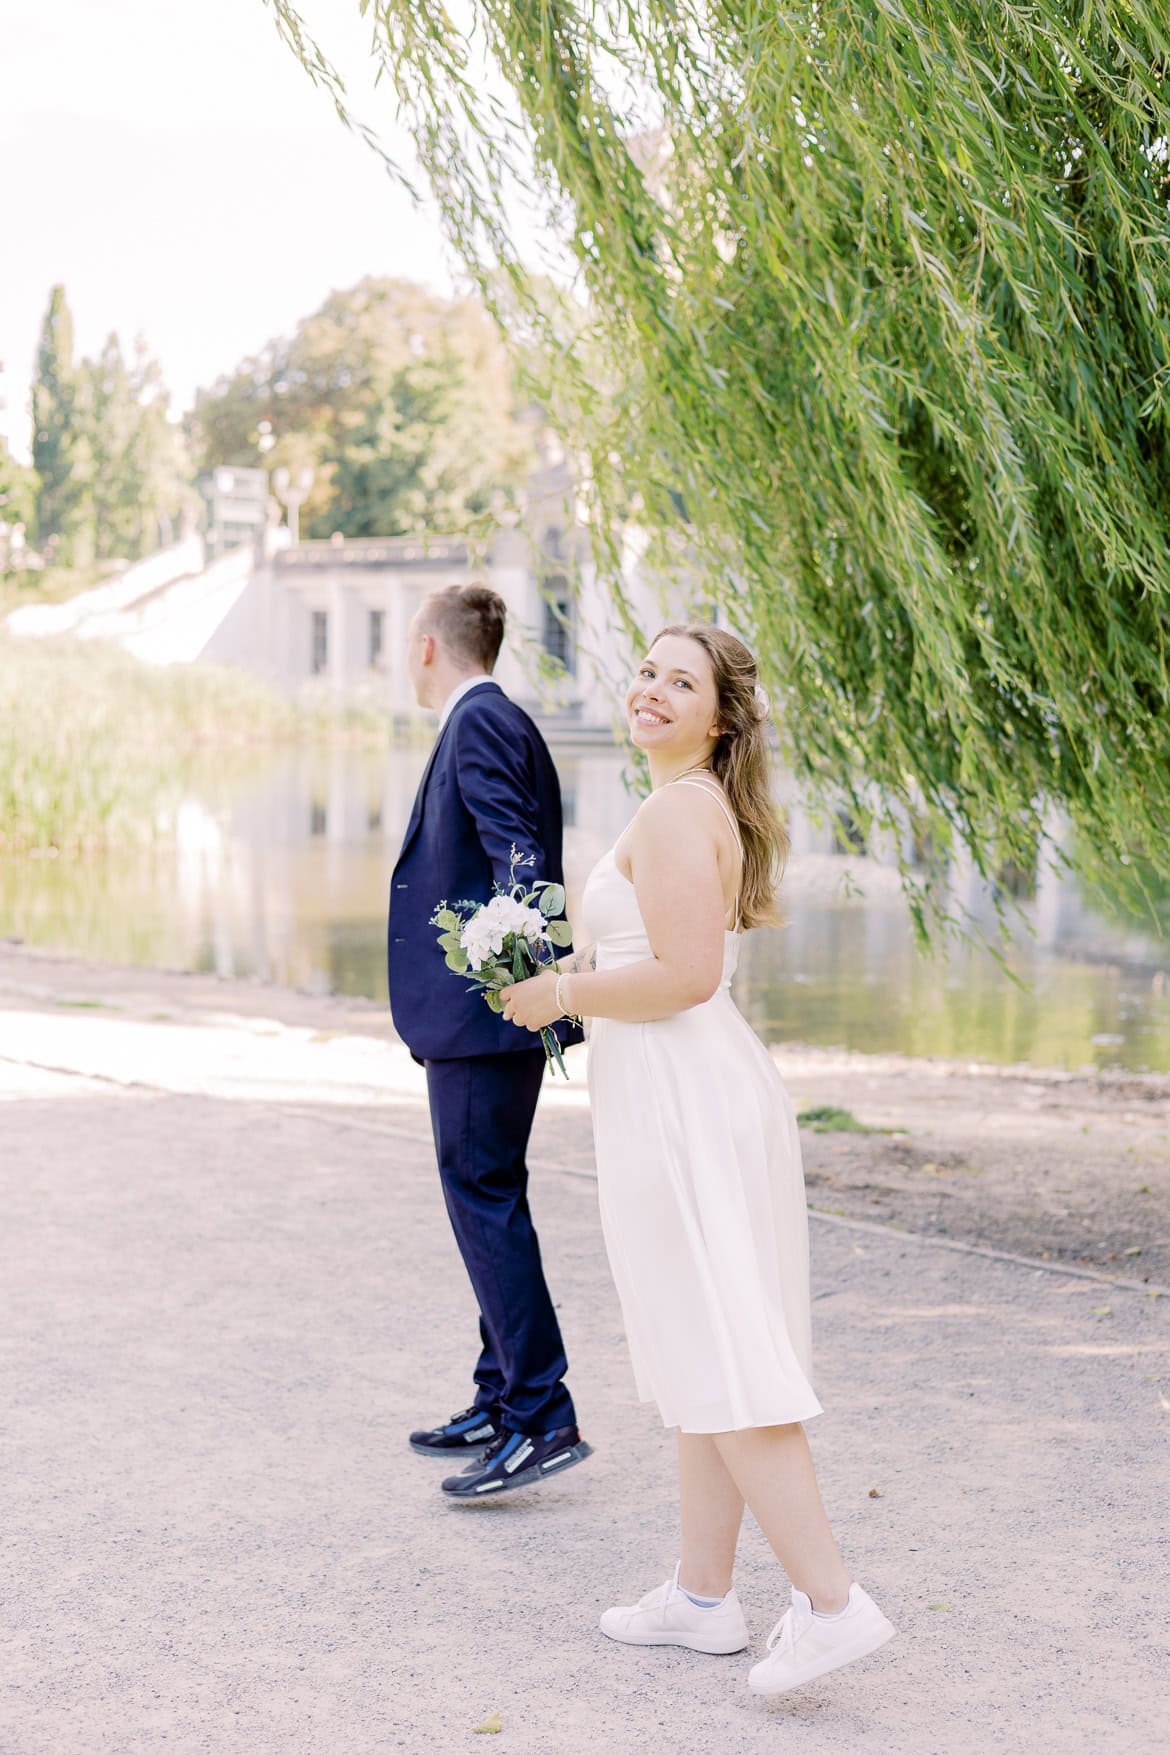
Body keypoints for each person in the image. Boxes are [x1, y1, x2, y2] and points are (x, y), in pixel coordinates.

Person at [500, 623, 896, 1693]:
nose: (654, 691)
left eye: (684, 682)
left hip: (687, 1104)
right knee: (695, 1347)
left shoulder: (680, 811)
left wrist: (564, 995)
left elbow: (684, 975)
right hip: (677, 1095)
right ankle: (703, 1596)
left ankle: (833, 1604)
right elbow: (647, 956)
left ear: (719, 719)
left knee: (724, 1352)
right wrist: (556, 966)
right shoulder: (678, 806)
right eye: (647, 672)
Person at [388, 583, 590, 1500]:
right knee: (489, 1197)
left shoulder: (480, 724)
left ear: (429, 647)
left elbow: (518, 855)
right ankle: (500, 1396)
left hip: (487, 1018)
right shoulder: (497, 718)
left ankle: (542, 1414)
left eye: (406, 643)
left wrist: (512, 980)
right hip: (491, 1016)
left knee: (485, 1199)